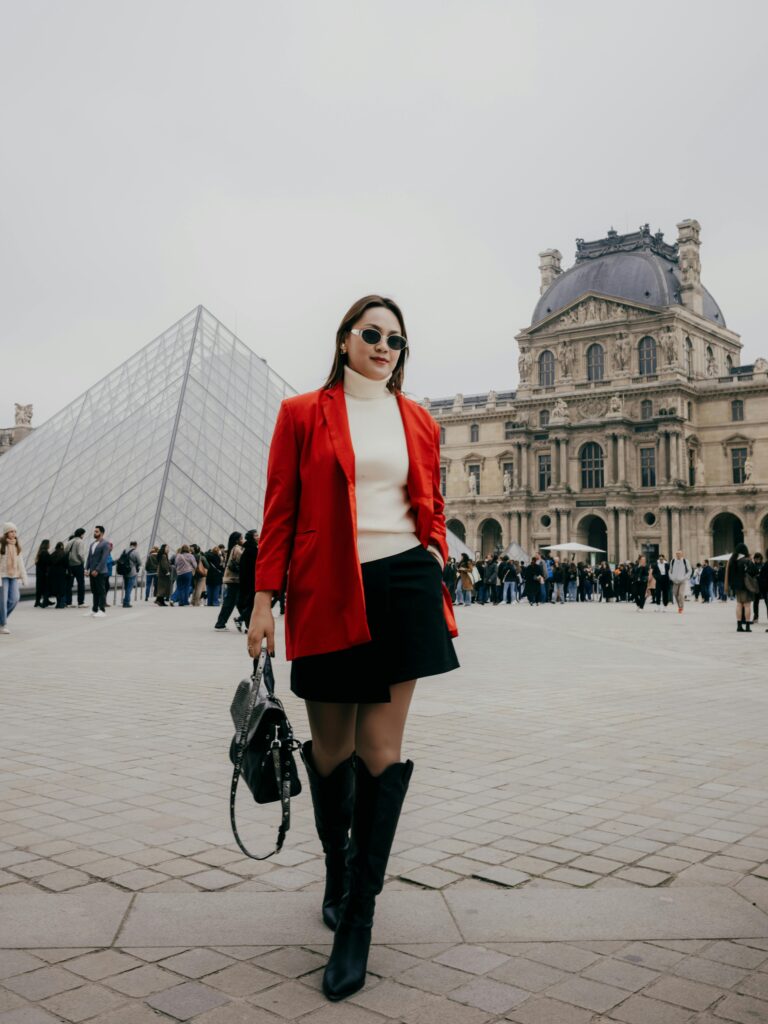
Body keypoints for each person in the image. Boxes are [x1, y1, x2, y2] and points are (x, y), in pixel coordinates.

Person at [246, 294, 459, 1002]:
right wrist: (263, 600)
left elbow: (429, 500)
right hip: (329, 585)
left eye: (396, 339)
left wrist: (432, 552)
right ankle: (338, 871)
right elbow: (280, 508)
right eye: (371, 334)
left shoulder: (419, 417)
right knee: (331, 750)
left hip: (403, 584)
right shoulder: (303, 413)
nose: (384, 346)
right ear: (344, 341)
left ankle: (358, 918)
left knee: (380, 753)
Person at [0, 523, 28, 634]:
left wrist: (24, 577)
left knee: (15, 599)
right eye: (11, 531)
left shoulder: (16, 545)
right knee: (3, 601)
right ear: (6, 532)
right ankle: (3, 624)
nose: (14, 534)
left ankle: (2, 619)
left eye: (15, 531)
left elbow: (20, 562)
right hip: (3, 576)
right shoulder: (1, 545)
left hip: (14, 576)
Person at [724, 544, 759, 633]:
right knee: (747, 605)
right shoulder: (746, 560)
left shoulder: (732, 560)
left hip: (737, 586)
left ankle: (739, 626)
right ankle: (747, 626)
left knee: (739, 604)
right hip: (746, 586)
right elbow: (755, 571)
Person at [214, 532, 244, 630]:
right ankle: (220, 624)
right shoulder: (237, 549)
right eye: (241, 538)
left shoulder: (232, 548)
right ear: (237, 540)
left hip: (231, 578)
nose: (243, 540)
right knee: (231, 602)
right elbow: (243, 561)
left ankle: (244, 620)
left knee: (236, 601)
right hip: (234, 579)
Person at [85, 526, 110, 617]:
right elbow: (89, 558)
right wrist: (86, 569)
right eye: (94, 531)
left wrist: (97, 570)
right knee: (94, 591)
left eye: (97, 531)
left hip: (101, 572)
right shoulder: (92, 544)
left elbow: (104, 559)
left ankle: (102, 610)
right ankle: (94, 609)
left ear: (102, 533)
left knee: (101, 591)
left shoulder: (106, 544)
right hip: (92, 572)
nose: (94, 533)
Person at [237, 530, 259, 628]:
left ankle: (246, 624)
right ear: (251, 537)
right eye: (256, 535)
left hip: (247, 581)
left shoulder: (247, 549)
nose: (258, 536)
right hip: (251, 581)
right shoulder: (252, 550)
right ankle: (241, 620)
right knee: (251, 603)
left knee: (250, 603)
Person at [65, 528, 87, 607]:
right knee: (81, 584)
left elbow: (65, 552)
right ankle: (80, 602)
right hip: (78, 565)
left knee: (69, 585)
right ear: (81, 534)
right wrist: (83, 561)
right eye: (83, 534)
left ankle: (68, 602)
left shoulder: (69, 542)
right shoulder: (80, 542)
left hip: (70, 566)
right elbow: (80, 554)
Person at [120, 542, 141, 607]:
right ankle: (126, 602)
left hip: (124, 571)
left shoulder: (124, 550)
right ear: (135, 545)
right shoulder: (135, 552)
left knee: (126, 588)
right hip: (132, 572)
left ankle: (125, 601)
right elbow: (139, 562)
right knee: (129, 588)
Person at [49, 542, 70, 608]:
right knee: (62, 588)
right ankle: (61, 603)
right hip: (62, 573)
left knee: (56, 588)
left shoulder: (52, 554)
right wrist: (69, 572)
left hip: (53, 573)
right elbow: (67, 564)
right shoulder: (64, 554)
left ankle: (58, 603)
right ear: (61, 546)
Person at [34, 540, 53, 607]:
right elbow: (47, 563)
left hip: (40, 573)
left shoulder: (40, 552)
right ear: (46, 544)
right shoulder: (44, 553)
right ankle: (43, 601)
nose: (50, 545)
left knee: (39, 587)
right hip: (43, 573)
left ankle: (38, 601)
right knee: (44, 587)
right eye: (49, 544)